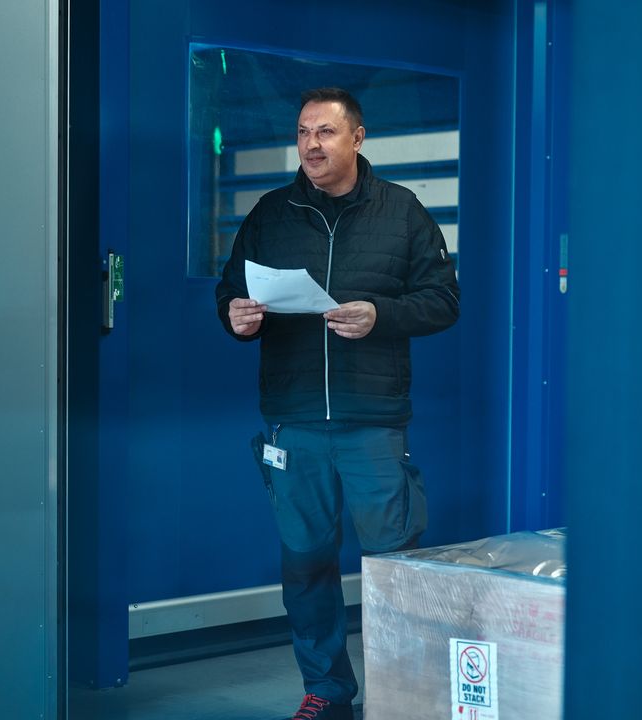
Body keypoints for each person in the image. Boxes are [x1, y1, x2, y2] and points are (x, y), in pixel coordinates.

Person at [215, 87, 461, 720]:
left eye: (324, 133)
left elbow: (443, 301)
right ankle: (326, 692)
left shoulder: (403, 213)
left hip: (372, 421)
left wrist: (381, 315)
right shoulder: (271, 213)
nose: (310, 145)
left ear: (357, 138)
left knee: (395, 565)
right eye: (302, 133)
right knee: (305, 566)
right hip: (293, 421)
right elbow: (231, 294)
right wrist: (237, 318)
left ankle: (405, 695)